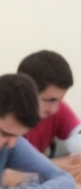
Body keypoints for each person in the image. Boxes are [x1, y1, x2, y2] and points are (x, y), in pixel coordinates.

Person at [17, 50, 81, 181]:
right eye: (50, 100)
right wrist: (53, 165)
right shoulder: (4, 120)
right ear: (25, 92)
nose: (55, 109)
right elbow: (4, 176)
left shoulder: (58, 109)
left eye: (59, 100)